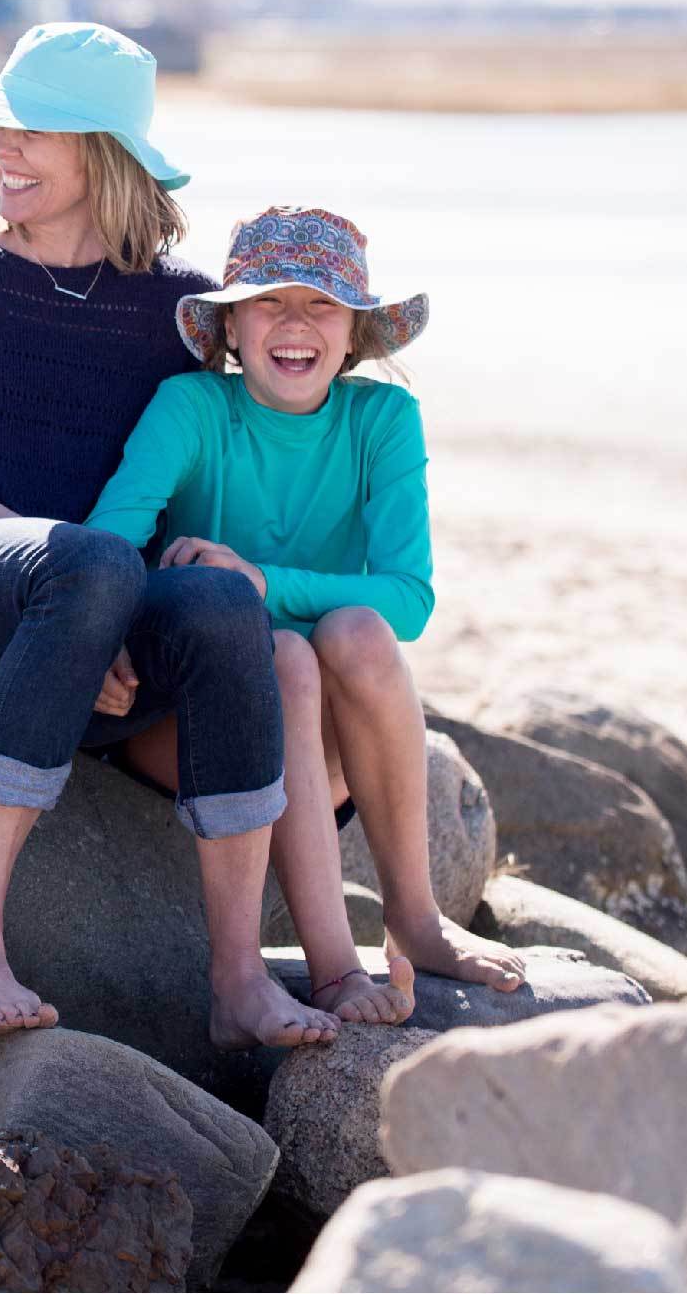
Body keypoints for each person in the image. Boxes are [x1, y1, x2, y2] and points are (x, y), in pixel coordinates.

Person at [0, 23, 341, 1049]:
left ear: (105, 150)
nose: (0, 147)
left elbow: (190, 487)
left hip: (86, 629)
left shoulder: (180, 311)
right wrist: (82, 590)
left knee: (217, 600)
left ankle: (237, 979)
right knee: (94, 560)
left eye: (33, 130)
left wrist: (110, 603)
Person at [88, 205, 524, 1016]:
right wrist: (102, 640)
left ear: (355, 332)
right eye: (268, 301)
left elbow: (410, 598)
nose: (295, 324)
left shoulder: (383, 419)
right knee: (281, 657)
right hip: (188, 732)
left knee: (357, 631)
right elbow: (108, 540)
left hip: (323, 758)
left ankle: (416, 918)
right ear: (229, 328)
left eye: (321, 303)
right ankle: (333, 965)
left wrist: (259, 580)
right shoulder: (190, 408)